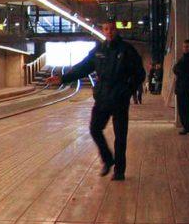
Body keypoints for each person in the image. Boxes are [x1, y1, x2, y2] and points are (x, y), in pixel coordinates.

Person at [47, 19, 146, 181]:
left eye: (112, 29)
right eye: (106, 29)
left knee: (120, 135)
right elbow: (83, 67)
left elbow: (140, 73)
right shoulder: (99, 50)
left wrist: (128, 90)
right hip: (103, 97)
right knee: (94, 129)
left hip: (120, 98)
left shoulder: (127, 50)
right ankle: (108, 159)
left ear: (117, 30)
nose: (109, 32)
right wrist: (62, 78)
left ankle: (119, 171)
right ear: (103, 30)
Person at [173, 39, 189, 135]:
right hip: (181, 86)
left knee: (186, 107)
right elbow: (175, 68)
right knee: (182, 107)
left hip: (186, 86)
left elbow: (185, 72)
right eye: (184, 46)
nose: (185, 48)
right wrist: (179, 70)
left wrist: (179, 70)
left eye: (187, 47)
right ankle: (186, 126)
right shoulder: (183, 58)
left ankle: (188, 127)